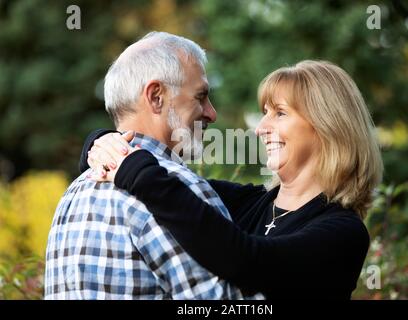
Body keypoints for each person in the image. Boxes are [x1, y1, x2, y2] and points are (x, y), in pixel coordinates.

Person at [82, 60, 384, 299]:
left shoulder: (343, 232)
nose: (260, 128)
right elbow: (173, 185)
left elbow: (246, 262)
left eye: (279, 113)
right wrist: (103, 143)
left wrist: (136, 169)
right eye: (264, 113)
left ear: (327, 126)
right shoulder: (248, 203)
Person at [45, 31, 263, 299]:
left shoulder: (73, 194)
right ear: (157, 96)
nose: (211, 113)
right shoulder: (178, 191)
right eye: (200, 96)